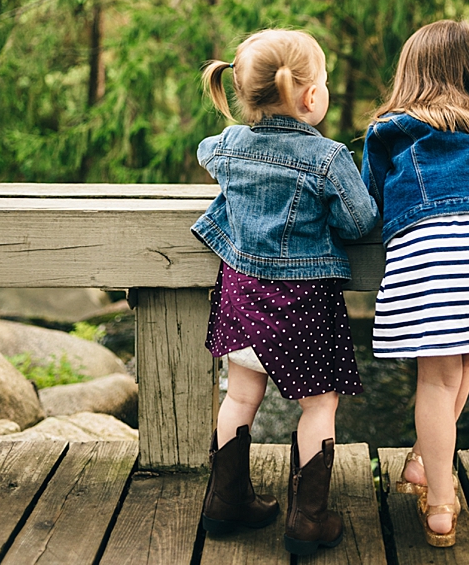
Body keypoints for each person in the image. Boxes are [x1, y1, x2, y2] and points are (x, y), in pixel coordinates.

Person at [192, 29, 379, 556]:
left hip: (241, 297)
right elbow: (360, 219)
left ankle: (225, 503)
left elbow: (209, 152)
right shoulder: (327, 157)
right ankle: (308, 518)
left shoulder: (228, 145)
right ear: (311, 96)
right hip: (303, 305)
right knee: (318, 406)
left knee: (240, 397)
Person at [362, 19, 469, 548]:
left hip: (431, 252)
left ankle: (441, 505)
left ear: (410, 73)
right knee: (468, 356)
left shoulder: (391, 130)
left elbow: (369, 201)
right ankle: (421, 462)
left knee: (435, 379)